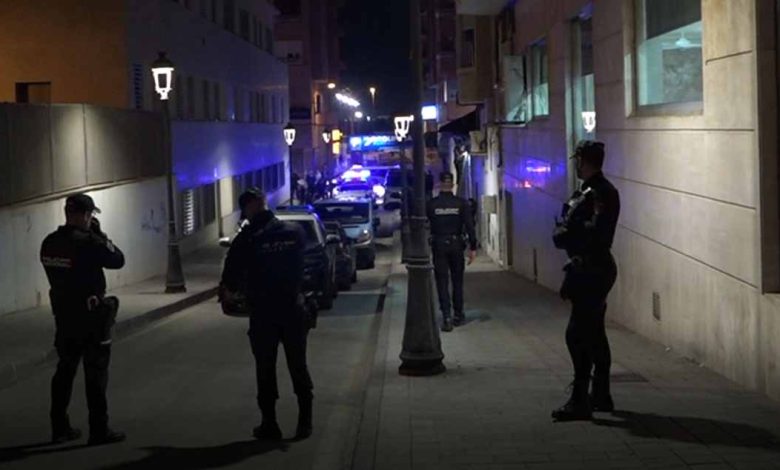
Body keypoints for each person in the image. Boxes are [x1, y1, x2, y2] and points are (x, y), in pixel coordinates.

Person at [220, 188, 314, 440]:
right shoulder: (295, 231)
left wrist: (232, 292)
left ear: (248, 208)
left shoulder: (247, 238)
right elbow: (303, 265)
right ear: (264, 203)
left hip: (264, 312)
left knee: (265, 368)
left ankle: (270, 424)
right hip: (294, 308)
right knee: (298, 365)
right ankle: (305, 422)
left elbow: (231, 275)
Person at [39, 194, 126, 445]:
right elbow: (118, 260)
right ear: (86, 215)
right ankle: (99, 430)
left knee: (64, 372)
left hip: (64, 317)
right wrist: (100, 236)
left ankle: (59, 427)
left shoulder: (49, 242)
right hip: (91, 318)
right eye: (90, 215)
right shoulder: (89, 243)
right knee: (95, 375)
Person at [551, 140, 620, 421]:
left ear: (583, 160)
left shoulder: (600, 192)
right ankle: (600, 394)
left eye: (577, 160)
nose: (575, 166)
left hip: (591, 267)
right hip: (590, 266)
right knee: (594, 332)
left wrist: (568, 233)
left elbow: (596, 233)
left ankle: (580, 399)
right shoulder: (591, 190)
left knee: (577, 334)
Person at [427, 172, 477, 332]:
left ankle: (446, 316)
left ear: (440, 184)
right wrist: (473, 247)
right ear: (453, 184)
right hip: (456, 244)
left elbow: (426, 225)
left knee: (441, 281)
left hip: (439, 245)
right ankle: (458, 314)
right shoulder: (461, 204)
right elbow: (469, 226)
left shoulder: (432, 204)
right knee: (457, 281)